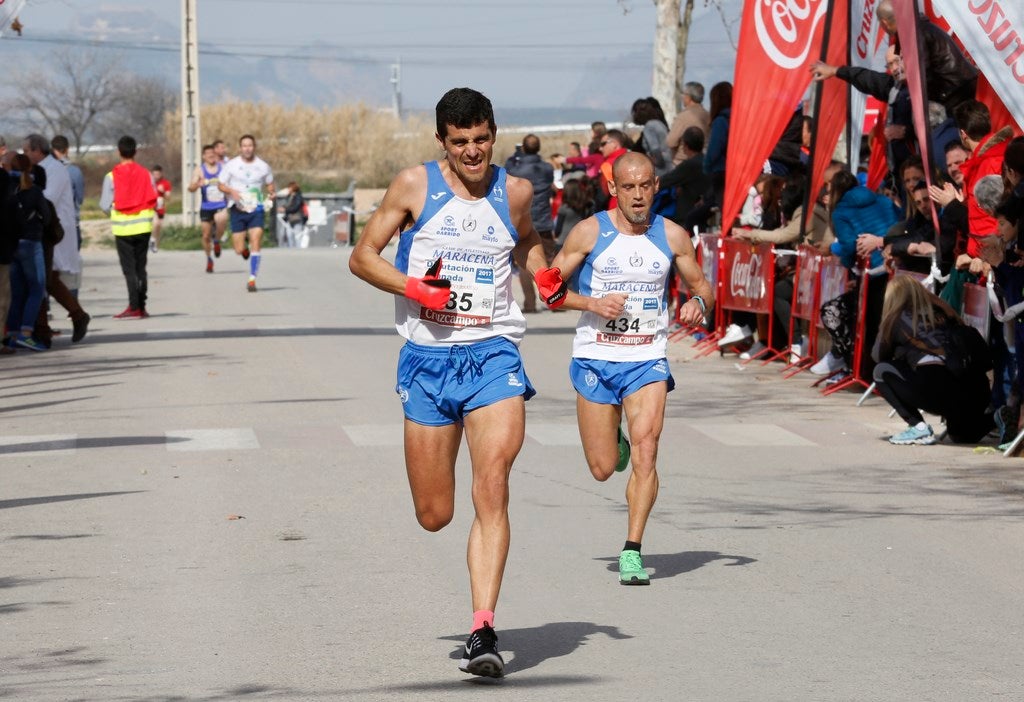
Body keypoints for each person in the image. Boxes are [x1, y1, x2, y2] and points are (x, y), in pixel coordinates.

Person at [348, 87, 552, 679]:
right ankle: (477, 616)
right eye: (460, 142)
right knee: (434, 513)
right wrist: (417, 290)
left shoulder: (514, 191)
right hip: (427, 359)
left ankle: (483, 629)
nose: (472, 151)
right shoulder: (414, 186)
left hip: (493, 354)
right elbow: (363, 257)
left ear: (495, 134)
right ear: (443, 140)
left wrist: (546, 275)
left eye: (481, 140)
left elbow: (528, 241)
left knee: (492, 483)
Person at [550, 151, 715, 585]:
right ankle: (613, 440)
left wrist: (698, 304)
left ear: (656, 186)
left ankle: (632, 550)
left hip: (646, 359)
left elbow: (702, 288)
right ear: (613, 189)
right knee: (603, 467)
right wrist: (590, 303)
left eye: (645, 186)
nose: (638, 195)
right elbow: (547, 289)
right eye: (629, 187)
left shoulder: (673, 236)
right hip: (596, 358)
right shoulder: (589, 233)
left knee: (648, 448)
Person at [872, 275, 991, 445]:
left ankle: (917, 426)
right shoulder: (945, 312)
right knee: (962, 435)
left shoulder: (897, 318)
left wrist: (898, 348)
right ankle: (998, 417)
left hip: (936, 385)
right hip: (975, 386)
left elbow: (878, 356)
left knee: (881, 371)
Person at [22, 133, 89, 343]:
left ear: (37, 150)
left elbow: (48, 198)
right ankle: (53, 324)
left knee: (45, 279)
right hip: (41, 230)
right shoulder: (38, 169)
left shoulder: (56, 169)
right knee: (43, 279)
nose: (25, 155)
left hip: (54, 232)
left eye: (27, 151)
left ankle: (52, 325)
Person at [100, 135, 158, 319]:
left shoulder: (111, 176)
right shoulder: (146, 174)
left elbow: (104, 205)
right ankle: (142, 306)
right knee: (141, 268)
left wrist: (115, 214)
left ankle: (133, 306)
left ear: (119, 152)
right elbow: (154, 198)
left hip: (122, 229)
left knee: (129, 269)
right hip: (143, 227)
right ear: (136, 152)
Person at [4, 153, 50, 351]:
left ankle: (12, 334)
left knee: (16, 291)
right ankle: (26, 333)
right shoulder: (34, 191)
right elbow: (47, 217)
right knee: (37, 288)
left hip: (11, 244)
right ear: (29, 169)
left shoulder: (6, 188)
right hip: (31, 242)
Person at [219, 134, 275, 292]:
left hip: (256, 209)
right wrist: (232, 191)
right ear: (240, 148)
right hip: (237, 208)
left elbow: (270, 184)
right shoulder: (232, 165)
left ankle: (252, 279)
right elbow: (221, 185)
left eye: (250, 145)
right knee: (238, 249)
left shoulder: (263, 166)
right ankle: (244, 250)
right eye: (244, 145)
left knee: (256, 241)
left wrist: (271, 193)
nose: (247, 148)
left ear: (254, 147)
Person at [505, 133, 555, 312]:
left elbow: (507, 171)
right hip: (544, 219)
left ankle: (530, 302)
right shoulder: (547, 168)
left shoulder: (516, 168)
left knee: (524, 263)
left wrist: (516, 155)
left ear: (524, 148)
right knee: (549, 261)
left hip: (522, 219)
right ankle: (554, 299)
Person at [187, 144, 228, 273]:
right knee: (205, 236)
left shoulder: (223, 168)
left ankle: (216, 240)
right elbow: (190, 188)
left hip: (221, 204)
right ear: (204, 156)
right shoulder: (199, 170)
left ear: (216, 155)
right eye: (208, 153)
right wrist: (197, 184)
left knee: (221, 219)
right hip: (206, 206)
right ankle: (209, 259)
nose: (211, 155)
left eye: (212, 153)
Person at [658, 126, 709, 227]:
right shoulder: (706, 162)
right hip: (704, 212)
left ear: (685, 145)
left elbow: (665, 181)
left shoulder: (689, 165)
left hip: (688, 216)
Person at [50, 135, 84, 251]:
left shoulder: (46, 170)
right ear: (67, 149)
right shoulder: (74, 171)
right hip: (71, 223)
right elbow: (80, 199)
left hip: (52, 223)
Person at [666, 81, 710, 166]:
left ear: (688, 97)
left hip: (682, 163)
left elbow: (671, 142)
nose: (682, 97)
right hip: (704, 163)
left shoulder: (683, 117)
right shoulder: (708, 115)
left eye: (683, 94)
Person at [630, 97, 673, 177]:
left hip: (660, 172)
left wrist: (646, 160)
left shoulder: (649, 127)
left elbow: (655, 149)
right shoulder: (659, 124)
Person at [150, 165, 171, 253]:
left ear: (161, 174)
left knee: (158, 226)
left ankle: (155, 244)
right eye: (154, 174)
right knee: (156, 223)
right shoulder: (149, 183)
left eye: (158, 174)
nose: (156, 176)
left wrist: (163, 192)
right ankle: (152, 240)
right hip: (151, 208)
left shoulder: (165, 183)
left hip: (160, 208)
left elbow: (168, 198)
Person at [281, 181, 308, 248]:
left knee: (297, 236)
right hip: (289, 219)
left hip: (297, 218)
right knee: (289, 235)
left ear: (293, 188)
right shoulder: (289, 196)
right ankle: (291, 251)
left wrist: (285, 210)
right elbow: (287, 205)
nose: (288, 189)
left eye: (289, 188)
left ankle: (298, 252)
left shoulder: (298, 197)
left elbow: (295, 207)